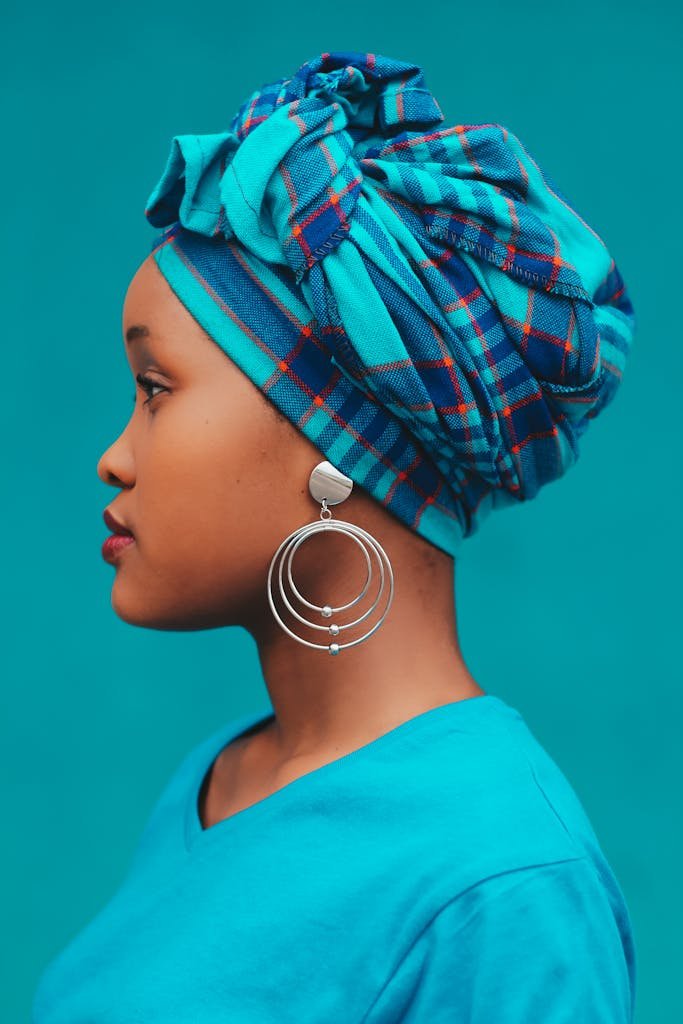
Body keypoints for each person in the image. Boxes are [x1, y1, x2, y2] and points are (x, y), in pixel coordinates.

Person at [31, 51, 637, 1022]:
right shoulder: (221, 781)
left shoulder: (499, 889)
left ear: (335, 448)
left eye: (155, 392)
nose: (114, 456)